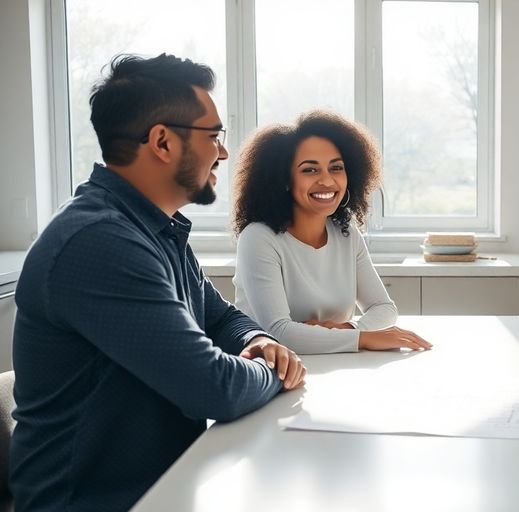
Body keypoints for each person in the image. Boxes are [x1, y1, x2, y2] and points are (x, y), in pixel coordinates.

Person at [9, 54, 306, 511]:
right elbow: (214, 388)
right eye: (214, 136)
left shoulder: (154, 227)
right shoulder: (97, 243)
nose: (224, 153)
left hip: (166, 486)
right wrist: (273, 371)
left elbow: (221, 317)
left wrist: (259, 339)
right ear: (163, 142)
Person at [231, 109, 431, 354]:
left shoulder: (345, 231)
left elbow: (384, 308)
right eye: (310, 170)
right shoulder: (258, 238)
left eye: (336, 168)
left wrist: (347, 328)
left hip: (338, 365)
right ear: (283, 179)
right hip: (271, 373)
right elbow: (278, 333)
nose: (327, 181)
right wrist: (364, 338)